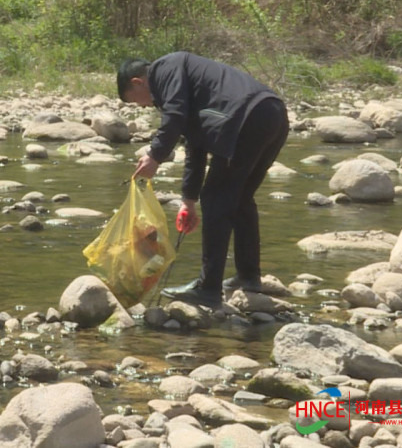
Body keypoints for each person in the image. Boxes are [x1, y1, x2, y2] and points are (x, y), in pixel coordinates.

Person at [116, 52, 288, 308]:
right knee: (240, 200)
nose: (144, 107)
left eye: (136, 101)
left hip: (245, 118)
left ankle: (208, 288)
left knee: (217, 199)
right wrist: (189, 201)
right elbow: (195, 144)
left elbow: (174, 116)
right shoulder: (187, 86)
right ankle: (249, 277)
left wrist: (154, 156)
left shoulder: (166, 67)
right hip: (272, 115)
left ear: (138, 82)